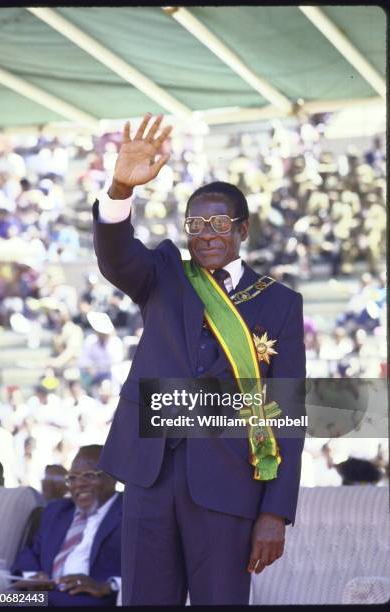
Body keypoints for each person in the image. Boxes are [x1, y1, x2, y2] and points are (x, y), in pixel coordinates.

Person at [92, 113, 306, 605]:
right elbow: (115, 255)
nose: (207, 234)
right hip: (149, 476)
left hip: (228, 485)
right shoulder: (164, 271)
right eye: (196, 223)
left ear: (243, 229)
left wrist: (275, 512)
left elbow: (288, 414)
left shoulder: (280, 303)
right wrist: (121, 187)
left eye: (219, 223)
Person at [12, 444, 122, 607]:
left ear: (112, 476)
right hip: (42, 596)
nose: (79, 484)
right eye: (72, 478)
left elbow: (151, 567)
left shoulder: (131, 513)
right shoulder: (56, 510)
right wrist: (33, 576)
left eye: (89, 476)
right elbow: (30, 553)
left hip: (87, 599)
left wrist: (109, 585)